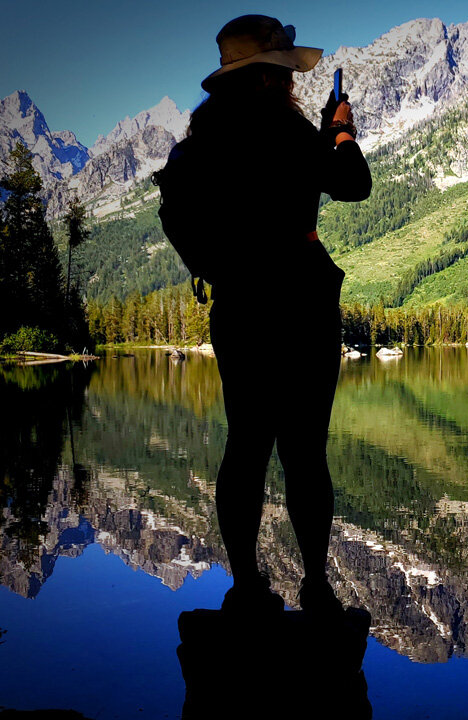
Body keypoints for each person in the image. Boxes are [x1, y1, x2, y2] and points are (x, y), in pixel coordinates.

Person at [157, 15, 371, 616]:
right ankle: (317, 588)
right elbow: (354, 185)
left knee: (246, 443)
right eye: (284, 73)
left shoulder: (198, 143)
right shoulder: (293, 133)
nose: (291, 84)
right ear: (271, 78)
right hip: (302, 303)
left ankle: (247, 586)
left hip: (240, 304)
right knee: (305, 449)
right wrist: (342, 133)